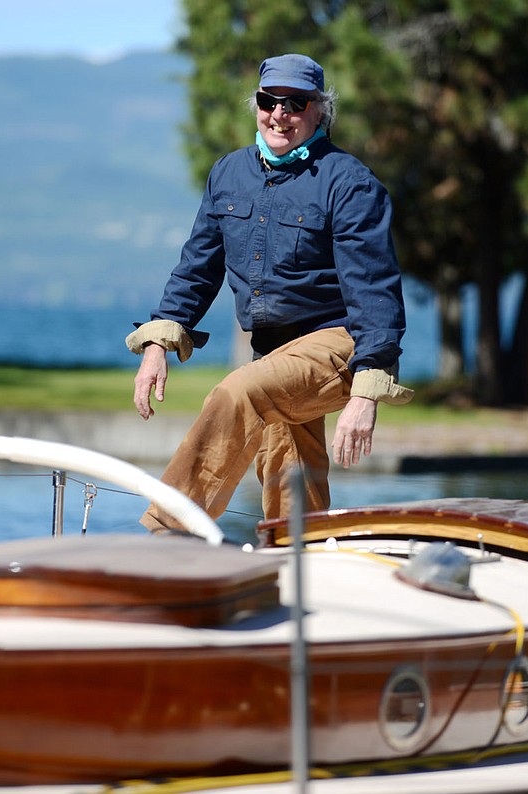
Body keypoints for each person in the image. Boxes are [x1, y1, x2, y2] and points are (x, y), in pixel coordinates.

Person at [127, 53, 412, 533]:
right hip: (274, 351)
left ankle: (167, 534)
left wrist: (367, 391)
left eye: (296, 103)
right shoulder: (228, 174)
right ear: (256, 105)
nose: (280, 113)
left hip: (339, 344)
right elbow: (197, 268)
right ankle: (301, 559)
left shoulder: (350, 184)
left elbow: (375, 292)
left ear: (319, 111)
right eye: (269, 100)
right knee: (288, 472)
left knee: (239, 391)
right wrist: (157, 345)